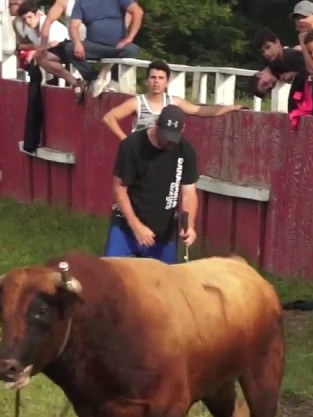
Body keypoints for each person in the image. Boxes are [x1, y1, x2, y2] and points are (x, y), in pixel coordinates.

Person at [107, 104, 198, 264]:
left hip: (163, 229)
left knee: (166, 283)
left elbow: (189, 193)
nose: (168, 143)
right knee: (111, 275)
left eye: (172, 139)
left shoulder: (185, 150)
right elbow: (119, 189)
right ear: (156, 125)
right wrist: (136, 227)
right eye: (164, 137)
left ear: (183, 129)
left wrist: (189, 226)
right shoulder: (131, 145)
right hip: (127, 226)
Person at [101, 60, 241, 140]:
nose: (156, 82)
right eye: (153, 78)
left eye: (161, 78)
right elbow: (109, 118)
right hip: (140, 153)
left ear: (167, 82)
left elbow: (201, 110)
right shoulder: (137, 102)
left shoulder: (174, 102)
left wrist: (229, 108)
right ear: (147, 81)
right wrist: (125, 140)